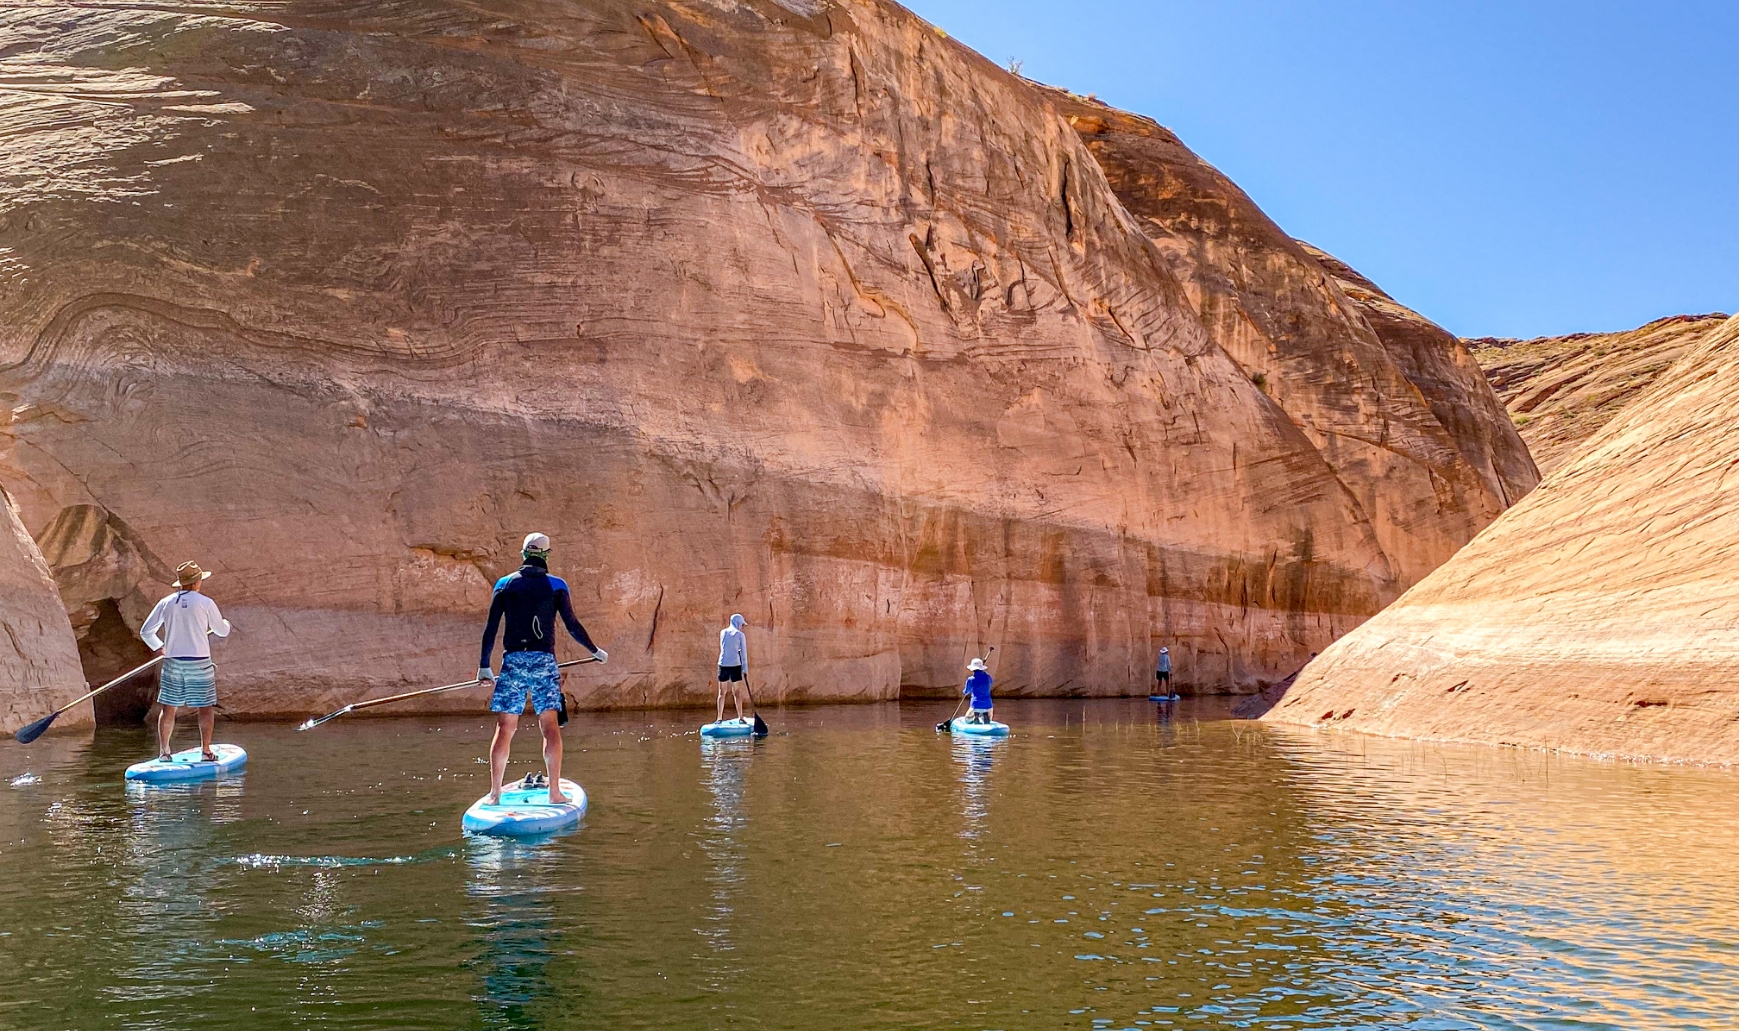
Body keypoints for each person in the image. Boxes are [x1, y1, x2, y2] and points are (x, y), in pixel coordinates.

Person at [478, 532, 606, 805]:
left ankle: (495, 794)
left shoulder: (504, 584)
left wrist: (484, 666)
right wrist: (594, 650)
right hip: (544, 662)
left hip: (512, 660)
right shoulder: (557, 585)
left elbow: (491, 629)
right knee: (550, 727)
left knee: (504, 727)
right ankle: (554, 793)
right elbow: (572, 625)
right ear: (546, 555)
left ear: (524, 553)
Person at [139, 561, 233, 762]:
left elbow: (146, 631)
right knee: (205, 707)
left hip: (173, 661)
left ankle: (164, 752)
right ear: (197, 582)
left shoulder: (166, 602)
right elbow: (221, 631)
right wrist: (226, 624)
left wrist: (159, 646)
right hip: (199, 662)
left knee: (169, 707)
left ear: (181, 583)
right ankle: (206, 751)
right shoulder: (206, 602)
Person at [716, 613, 753, 724]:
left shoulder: (723, 632)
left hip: (722, 664)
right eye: (741, 624)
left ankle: (719, 718)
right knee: (736, 692)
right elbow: (743, 653)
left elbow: (724, 648)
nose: (742, 627)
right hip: (735, 666)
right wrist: (745, 669)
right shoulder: (740, 635)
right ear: (738, 623)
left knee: (721, 692)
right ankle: (740, 717)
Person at [963, 657, 993, 723]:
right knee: (989, 719)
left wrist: (965, 692)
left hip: (975, 705)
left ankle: (976, 717)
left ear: (972, 669)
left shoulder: (970, 679)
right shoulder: (988, 677)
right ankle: (983, 716)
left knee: (967, 720)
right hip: (988, 704)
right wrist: (983, 674)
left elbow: (966, 691)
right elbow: (991, 682)